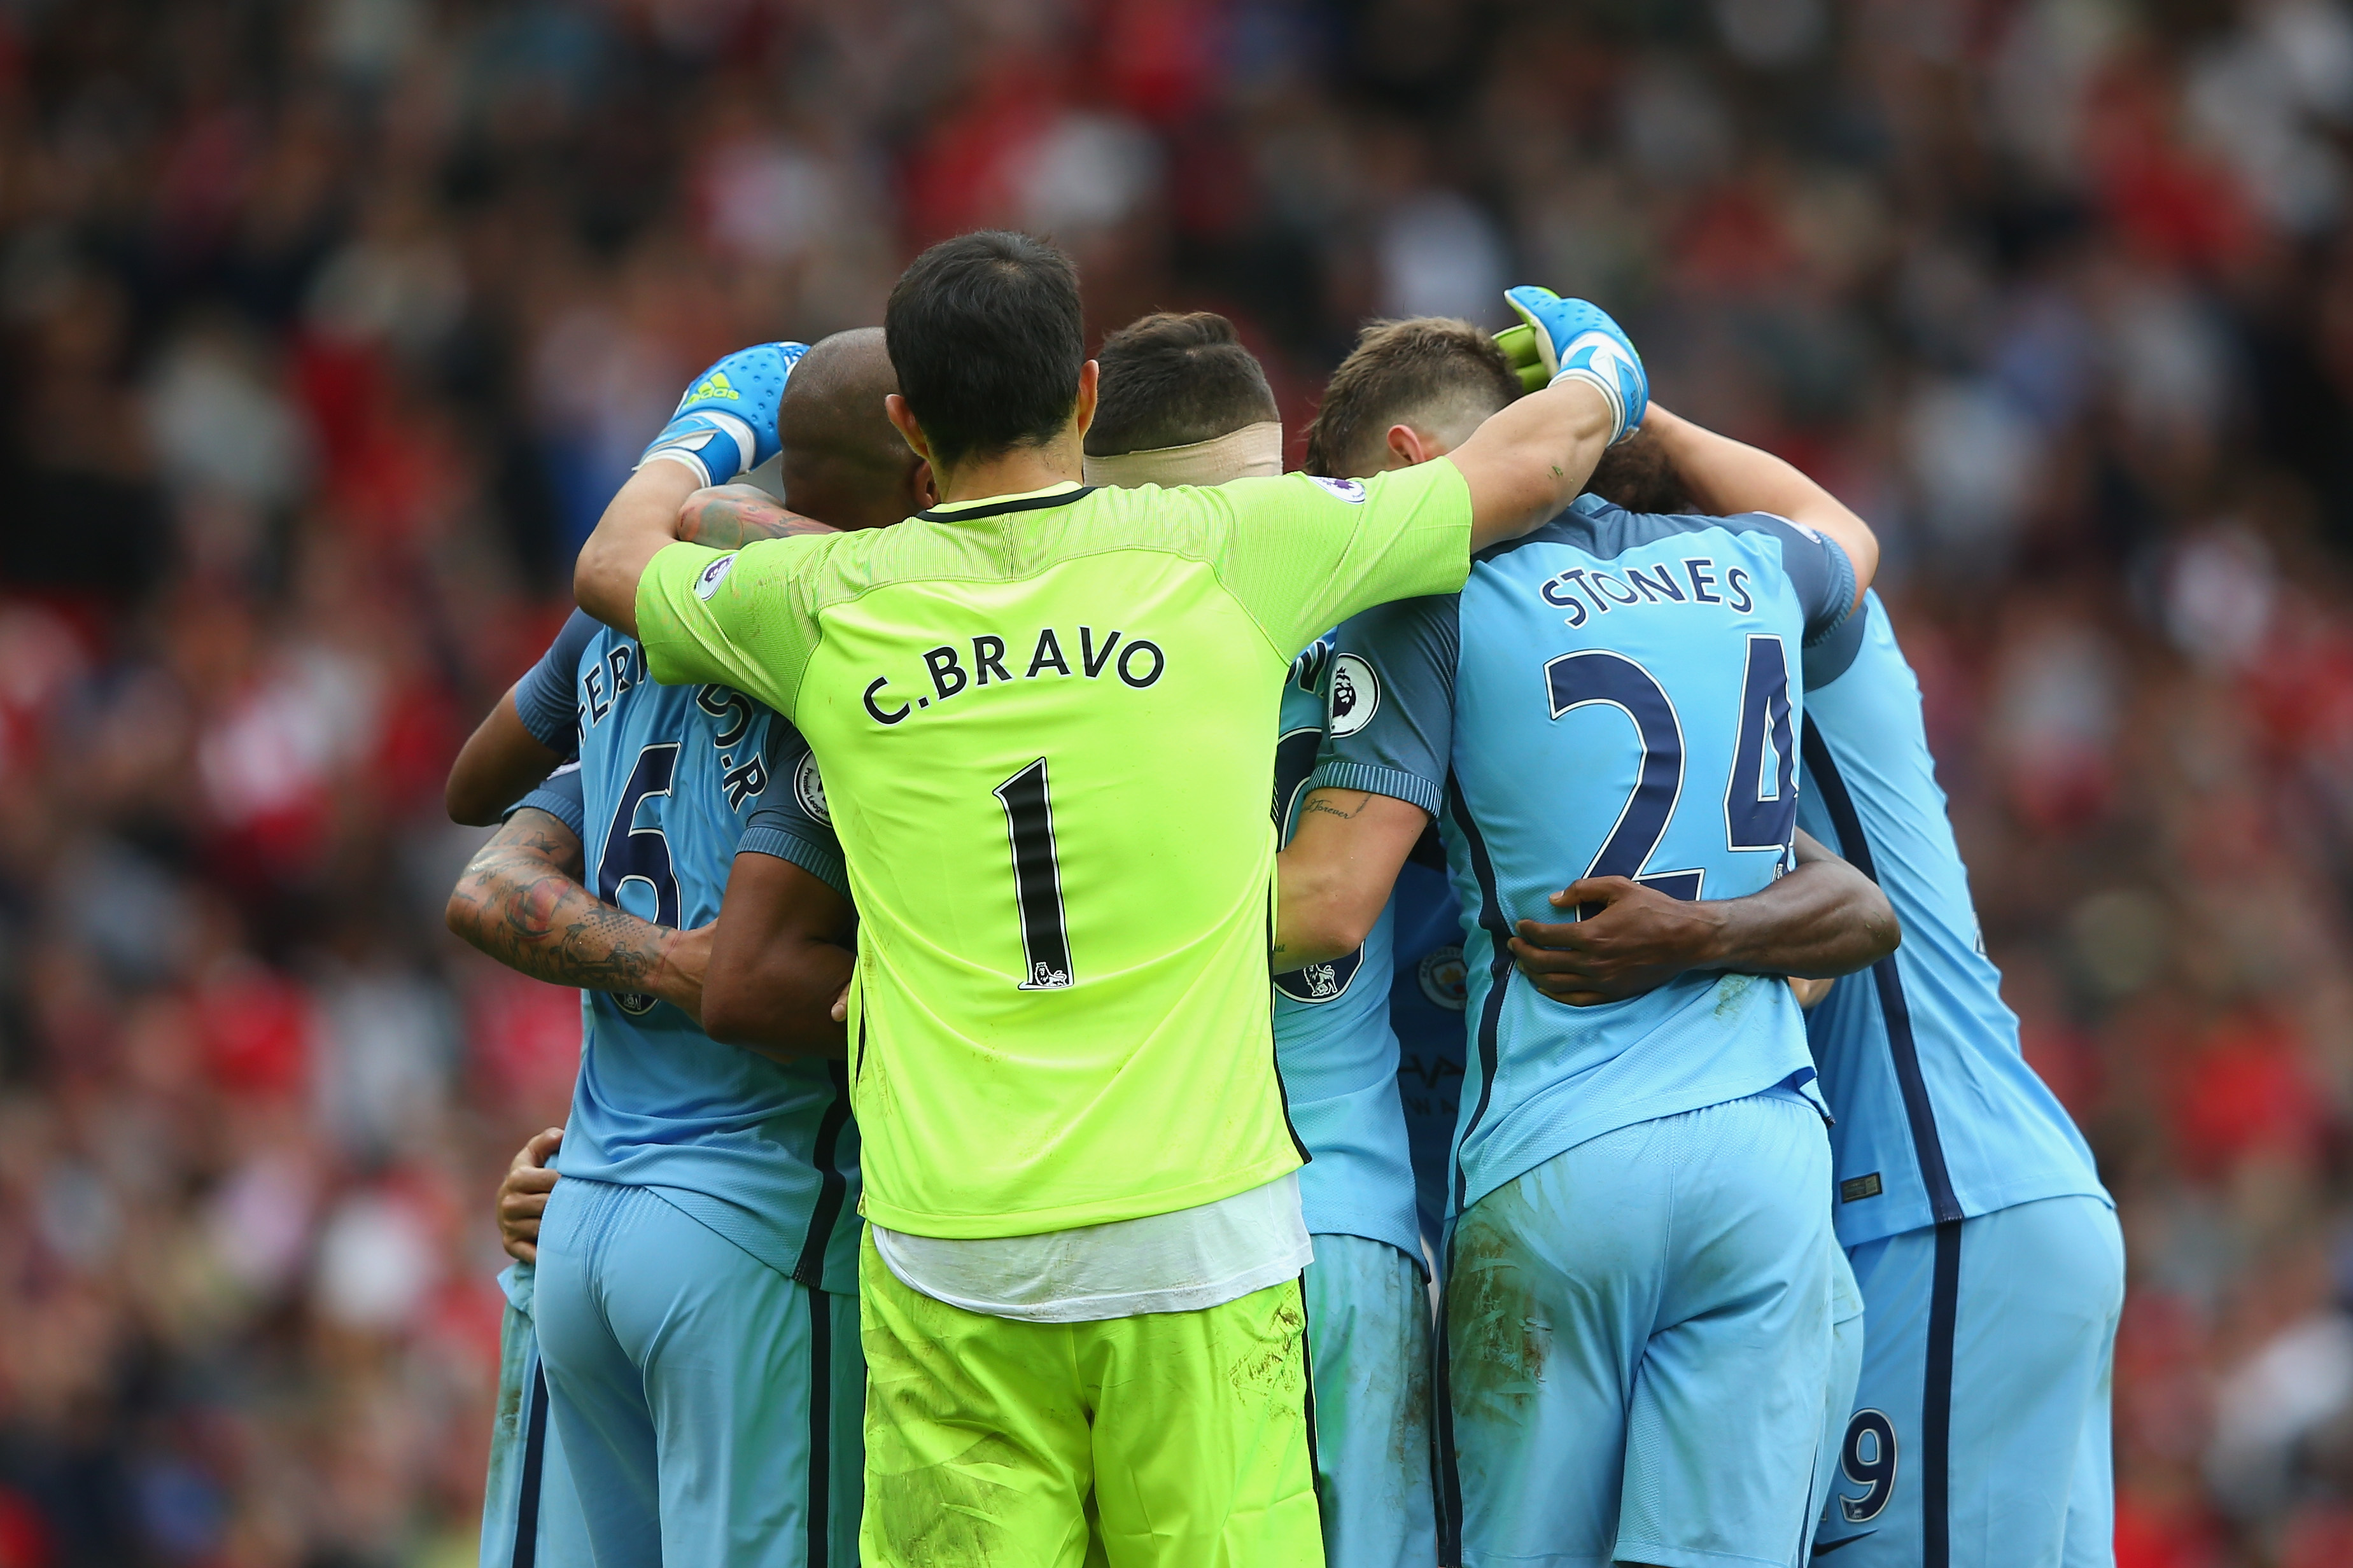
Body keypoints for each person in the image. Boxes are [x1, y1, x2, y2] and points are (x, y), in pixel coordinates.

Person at [571, 230, 1648, 1568]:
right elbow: (1532, 462)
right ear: (1084, 395)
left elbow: (614, 567)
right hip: (1198, 1232)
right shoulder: (1227, 544)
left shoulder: (826, 598)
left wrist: (707, 435)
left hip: (952, 1246)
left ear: (912, 423)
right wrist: (1602, 363)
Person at [1274, 305, 1895, 1568]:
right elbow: (1849, 532)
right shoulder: (1744, 566)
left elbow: (1330, 897)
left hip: (1560, 1157)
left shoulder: (1430, 601)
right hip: (1765, 1148)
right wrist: (1635, 401)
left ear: (1409, 464)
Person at [1515, 427, 2124, 1568]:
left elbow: (1830, 525)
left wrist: (1619, 406)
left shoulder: (1763, 632)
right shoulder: (1761, 639)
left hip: (1932, 1205)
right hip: (1999, 1200)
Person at [444, 326, 929, 1568]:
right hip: (760, 1224)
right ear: (925, 469)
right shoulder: (879, 633)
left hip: (587, 1217)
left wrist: (695, 503)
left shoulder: (635, 602)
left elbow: (476, 794)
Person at [1080, 309, 1436, 1568]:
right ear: (1278, 465)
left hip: (1138, 1225)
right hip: (1340, 1211)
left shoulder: (1037, 662)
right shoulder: (1381, 611)